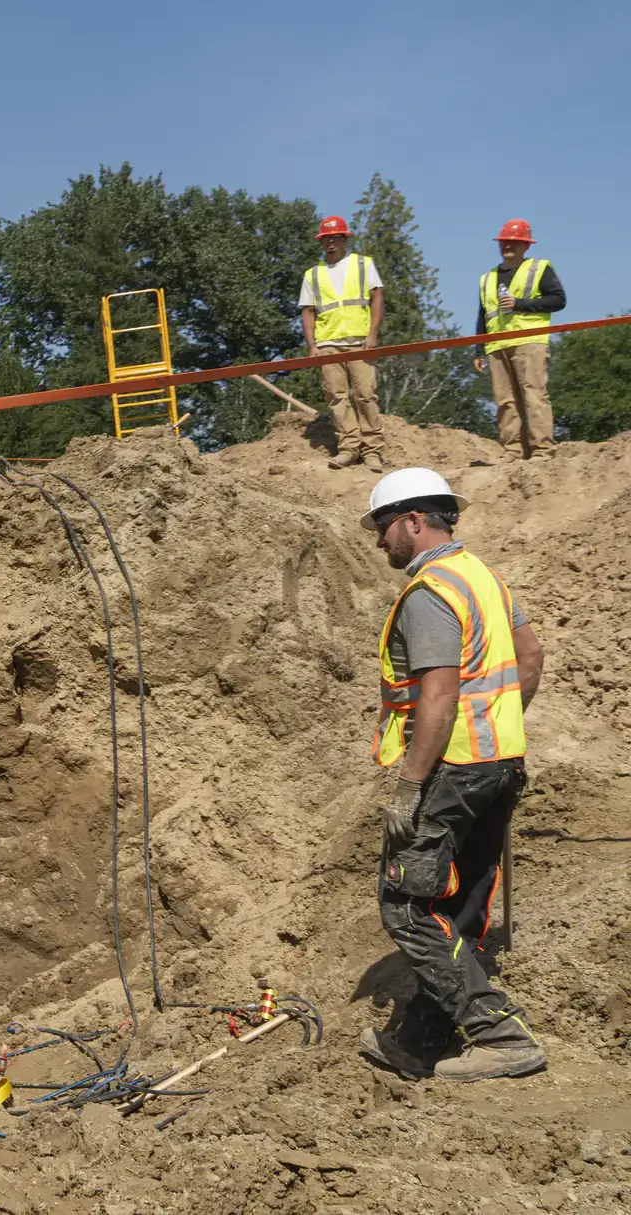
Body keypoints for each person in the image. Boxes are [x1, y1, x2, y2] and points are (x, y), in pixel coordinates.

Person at [360, 467, 547, 1083]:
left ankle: (500, 1034)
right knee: (461, 901)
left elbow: (437, 697)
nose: (380, 540)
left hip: (455, 768)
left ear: (413, 521)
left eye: (384, 527)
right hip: (499, 762)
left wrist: (412, 782)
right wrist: (501, 726)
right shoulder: (483, 577)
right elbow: (530, 657)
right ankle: (422, 1038)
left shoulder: (430, 593)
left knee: (407, 906)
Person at [472, 220, 565, 461]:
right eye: (504, 242)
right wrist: (478, 350)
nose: (508, 246)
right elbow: (483, 314)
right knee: (505, 400)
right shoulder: (487, 278)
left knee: (534, 395)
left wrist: (520, 304)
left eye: (514, 242)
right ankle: (512, 450)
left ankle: (543, 449)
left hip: (529, 340)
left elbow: (558, 300)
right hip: (497, 345)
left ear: (526, 246)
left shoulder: (539, 269)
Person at [300, 215, 386, 471]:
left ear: (345, 239)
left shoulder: (363, 264)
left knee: (366, 395)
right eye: (326, 238)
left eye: (336, 237)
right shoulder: (313, 275)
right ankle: (349, 448)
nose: (331, 243)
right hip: (328, 342)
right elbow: (307, 311)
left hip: (359, 341)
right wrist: (313, 346)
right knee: (337, 397)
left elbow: (377, 297)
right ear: (321, 242)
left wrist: (373, 333)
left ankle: (372, 450)